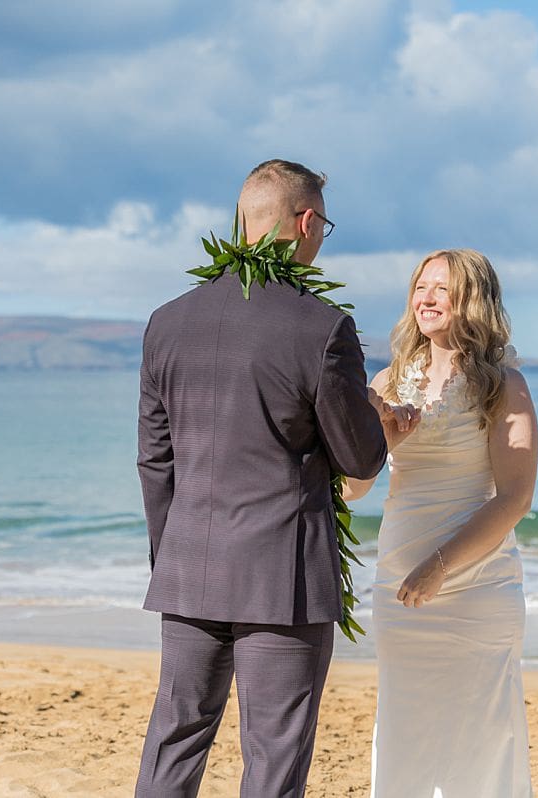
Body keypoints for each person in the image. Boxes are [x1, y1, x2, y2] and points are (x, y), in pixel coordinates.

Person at [135, 159, 389, 797]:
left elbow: (155, 460)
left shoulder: (166, 322)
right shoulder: (322, 327)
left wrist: (174, 558)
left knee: (174, 739)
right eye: (323, 227)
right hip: (285, 579)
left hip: (188, 568)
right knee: (275, 755)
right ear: (305, 221)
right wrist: (385, 425)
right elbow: (358, 459)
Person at [344, 248, 538, 797]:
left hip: (478, 590)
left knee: (482, 739)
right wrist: (381, 441)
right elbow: (353, 488)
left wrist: (440, 566)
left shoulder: (504, 385)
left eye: (443, 289)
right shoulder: (386, 381)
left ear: (471, 301)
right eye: (420, 287)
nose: (426, 298)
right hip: (399, 588)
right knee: (406, 733)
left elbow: (515, 498)